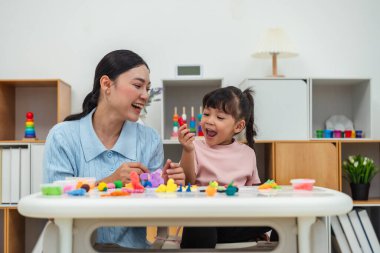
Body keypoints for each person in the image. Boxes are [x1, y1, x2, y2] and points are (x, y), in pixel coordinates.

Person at [43, 49, 185, 249]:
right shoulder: (63, 137)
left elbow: (155, 211)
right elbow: (53, 207)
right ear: (106, 84)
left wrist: (165, 187)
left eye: (148, 88)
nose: (145, 95)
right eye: (137, 85)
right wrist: (109, 182)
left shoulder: (149, 139)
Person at [178, 86, 271, 248]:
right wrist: (187, 150)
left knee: (285, 218)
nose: (209, 121)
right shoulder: (195, 147)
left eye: (220, 117)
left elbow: (254, 192)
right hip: (203, 218)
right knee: (201, 225)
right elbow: (188, 182)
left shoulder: (247, 153)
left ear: (238, 126)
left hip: (235, 220)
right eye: (206, 114)